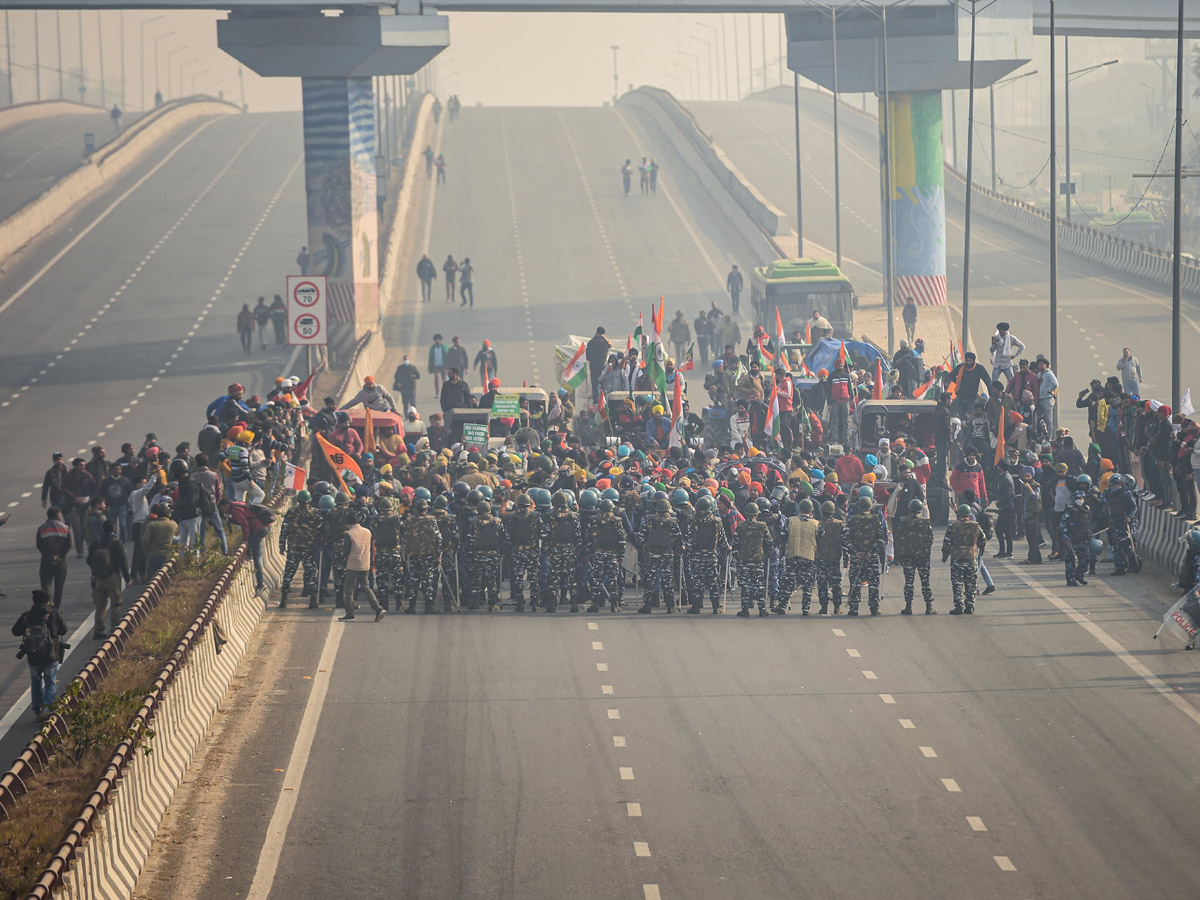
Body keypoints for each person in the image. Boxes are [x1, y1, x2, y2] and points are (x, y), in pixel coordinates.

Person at [11, 590, 68, 721]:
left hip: (33, 655)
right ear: (47, 601)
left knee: (35, 683)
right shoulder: (53, 613)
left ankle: (37, 711)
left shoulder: (27, 615)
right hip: (50, 654)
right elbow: (64, 630)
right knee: (50, 682)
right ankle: (47, 708)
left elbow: (15, 631)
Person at [842, 496, 887, 616]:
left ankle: (854, 608)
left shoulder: (852, 520)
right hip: (871, 557)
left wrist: (855, 551)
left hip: (856, 557)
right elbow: (880, 539)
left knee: (855, 582)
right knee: (873, 583)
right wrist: (871, 552)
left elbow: (845, 538)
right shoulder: (876, 520)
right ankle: (874, 608)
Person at [87, 520, 129, 639]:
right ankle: (114, 630)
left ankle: (98, 630)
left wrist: (97, 570)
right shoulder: (117, 543)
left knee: (100, 605)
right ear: (114, 529)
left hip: (99, 578)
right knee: (116, 604)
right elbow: (123, 562)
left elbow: (89, 559)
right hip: (113, 577)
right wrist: (127, 578)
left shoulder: (97, 542)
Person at [338, 518, 385, 622]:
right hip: (365, 563)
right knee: (366, 587)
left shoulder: (349, 534)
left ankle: (350, 614)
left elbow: (346, 551)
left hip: (353, 564)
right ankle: (378, 608)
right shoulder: (367, 531)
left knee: (349, 590)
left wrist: (342, 545)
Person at [894, 499, 936, 615]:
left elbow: (898, 539)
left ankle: (908, 606)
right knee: (925, 582)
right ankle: (929, 606)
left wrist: (900, 556)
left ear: (910, 509)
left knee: (909, 582)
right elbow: (930, 539)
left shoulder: (903, 522)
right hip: (923, 556)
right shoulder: (926, 523)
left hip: (908, 556)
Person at [943, 505, 986, 614]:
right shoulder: (975, 526)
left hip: (957, 559)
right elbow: (983, 540)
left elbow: (947, 542)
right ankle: (970, 606)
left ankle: (958, 606)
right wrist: (980, 549)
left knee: (957, 583)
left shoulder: (953, 526)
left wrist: (945, 556)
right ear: (969, 515)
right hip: (971, 558)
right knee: (971, 583)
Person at [734, 502, 772, 617]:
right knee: (759, 585)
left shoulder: (740, 526)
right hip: (758, 559)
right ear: (756, 514)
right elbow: (769, 542)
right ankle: (762, 609)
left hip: (744, 559)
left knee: (745, 585)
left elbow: (735, 543)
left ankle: (745, 609)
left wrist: (737, 555)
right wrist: (767, 552)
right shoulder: (762, 526)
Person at [36, 507, 71, 607]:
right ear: (57, 515)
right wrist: (59, 555)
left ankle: (49, 601)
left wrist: (49, 556)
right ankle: (57, 606)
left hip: (46, 560)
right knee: (59, 585)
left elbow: (39, 545)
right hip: (61, 561)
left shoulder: (42, 528)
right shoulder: (65, 528)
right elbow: (68, 545)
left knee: (46, 583)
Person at [141, 504, 178, 581]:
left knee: (151, 580)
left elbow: (145, 540)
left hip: (154, 554)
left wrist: (150, 548)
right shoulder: (173, 525)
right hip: (167, 554)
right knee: (166, 579)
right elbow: (177, 538)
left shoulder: (152, 524)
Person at [586, 327, 612, 400]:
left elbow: (588, 357)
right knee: (603, 383)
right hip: (602, 364)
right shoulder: (605, 342)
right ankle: (604, 399)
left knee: (594, 384)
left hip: (593, 365)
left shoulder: (591, 342)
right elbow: (610, 346)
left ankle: (595, 401)